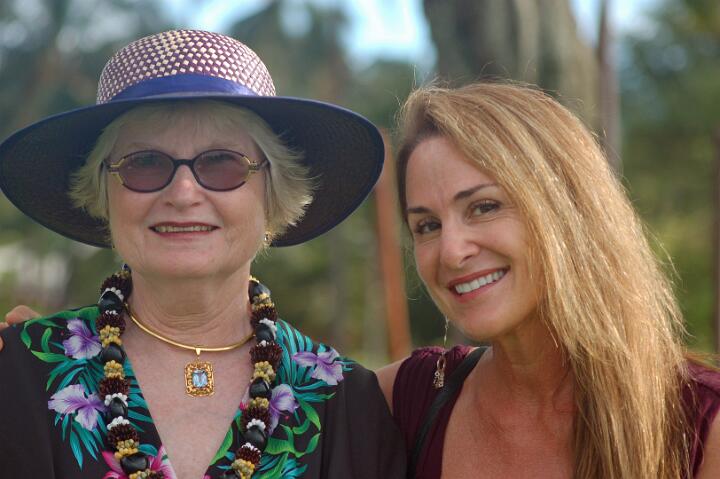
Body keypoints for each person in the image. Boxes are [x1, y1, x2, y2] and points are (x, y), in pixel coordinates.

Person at [0, 29, 405, 478]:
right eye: (145, 163)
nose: (183, 192)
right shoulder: (17, 374)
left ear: (273, 192)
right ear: (103, 192)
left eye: (221, 162)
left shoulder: (346, 403)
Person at [376, 82, 720, 478]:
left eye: (484, 207)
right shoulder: (404, 402)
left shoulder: (700, 426)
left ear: (566, 209)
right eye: (427, 225)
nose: (451, 252)